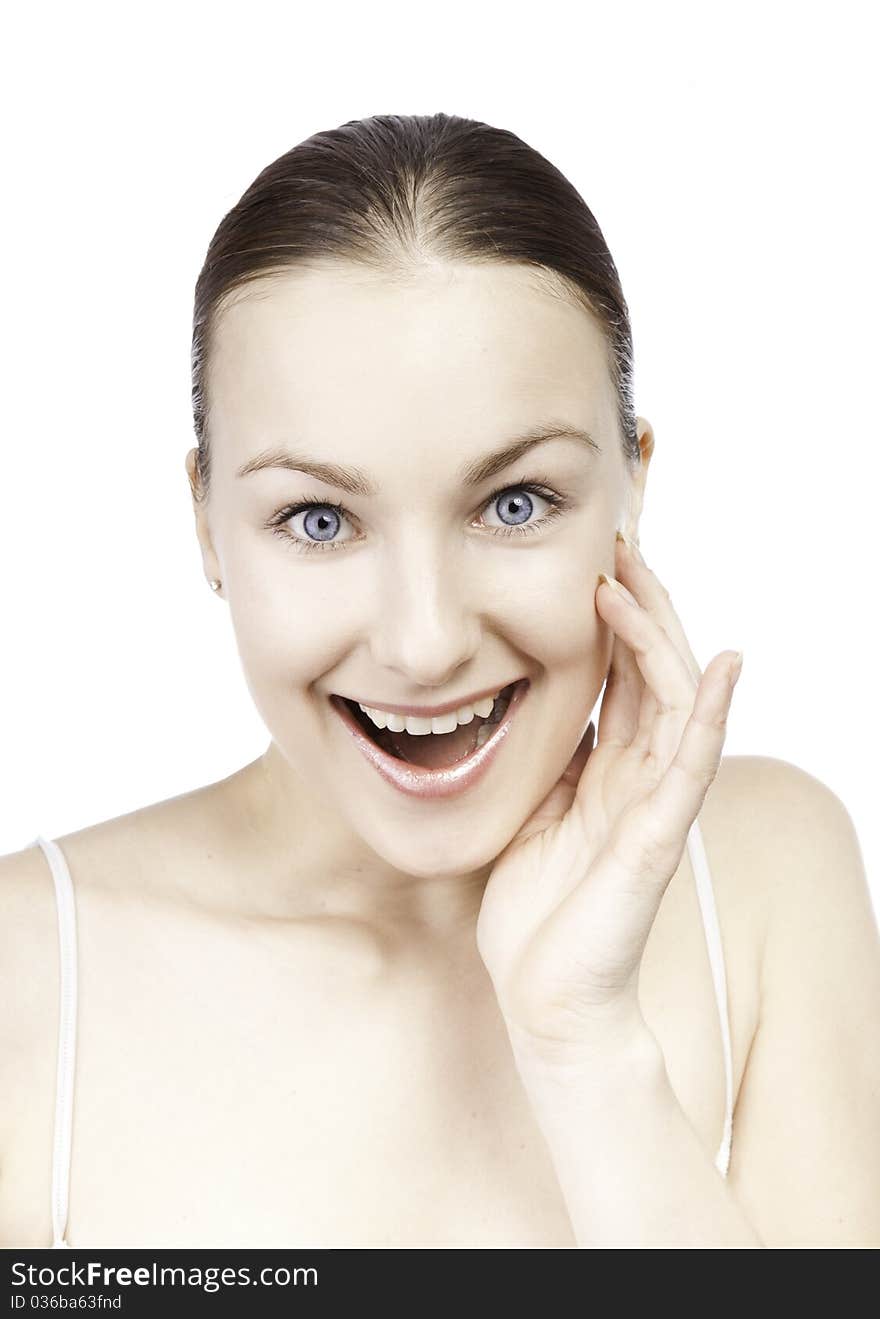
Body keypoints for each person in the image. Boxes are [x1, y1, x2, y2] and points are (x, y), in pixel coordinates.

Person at [2, 113, 878, 1250]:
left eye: (514, 503)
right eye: (317, 519)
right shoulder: (26, 969)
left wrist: (585, 1041)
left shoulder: (764, 874)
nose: (423, 645)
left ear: (631, 488)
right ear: (207, 526)